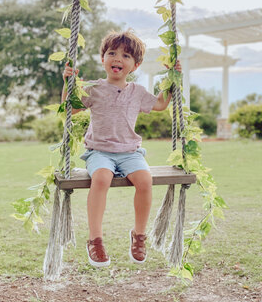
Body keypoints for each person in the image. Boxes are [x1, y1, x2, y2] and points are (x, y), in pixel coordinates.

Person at [62, 30, 182, 268]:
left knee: (145, 181)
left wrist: (171, 78)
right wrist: (68, 82)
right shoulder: (93, 88)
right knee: (101, 178)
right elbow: (69, 108)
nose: (118, 58)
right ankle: (95, 239)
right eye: (112, 53)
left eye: (126, 56)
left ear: (135, 66)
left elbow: (159, 104)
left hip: (130, 152)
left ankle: (138, 236)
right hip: (99, 151)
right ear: (103, 58)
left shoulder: (137, 92)